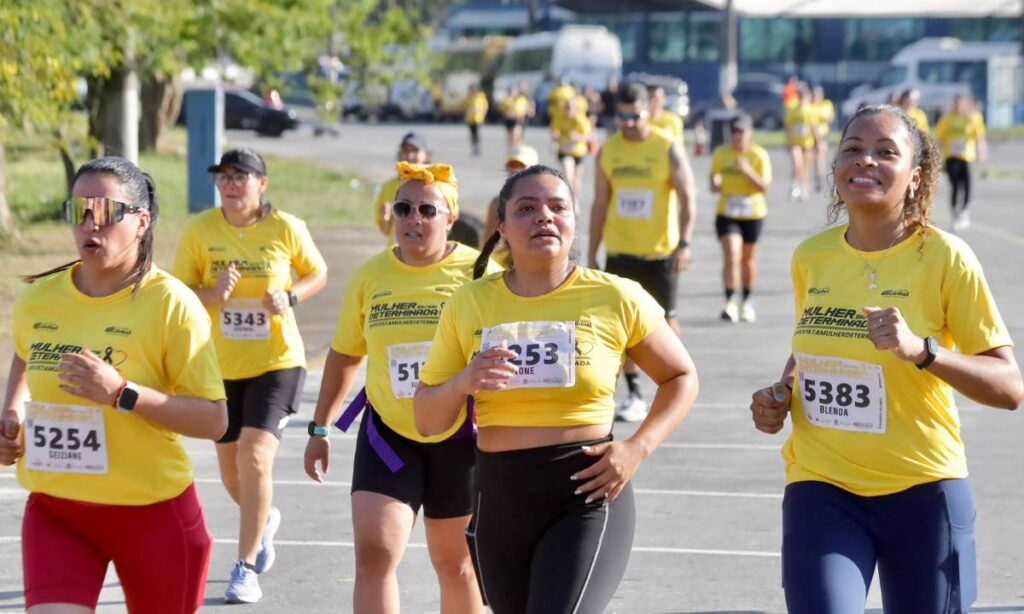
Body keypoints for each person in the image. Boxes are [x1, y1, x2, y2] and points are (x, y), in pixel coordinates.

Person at [750, 104, 1023, 613]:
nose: (865, 162)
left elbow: (1009, 387)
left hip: (923, 490)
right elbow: (810, 349)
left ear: (916, 176)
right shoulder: (812, 257)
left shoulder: (946, 257)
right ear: (834, 167)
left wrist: (923, 352)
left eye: (885, 152)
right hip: (822, 485)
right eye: (852, 149)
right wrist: (780, 394)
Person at [414, 165, 699, 614]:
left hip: (585, 489)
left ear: (573, 221)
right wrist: (464, 381)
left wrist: (637, 448)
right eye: (526, 208)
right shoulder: (468, 303)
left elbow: (681, 377)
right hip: (498, 495)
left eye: (557, 207)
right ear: (501, 227)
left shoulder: (615, 296)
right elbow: (427, 419)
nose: (544, 217)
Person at [1, 157, 228, 613]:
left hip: (153, 514)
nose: (90, 224)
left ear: (141, 222)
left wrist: (122, 393)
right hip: (57, 509)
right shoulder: (38, 300)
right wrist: (11, 412)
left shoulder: (171, 305)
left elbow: (214, 420)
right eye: (78, 210)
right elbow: (26, 354)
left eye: (104, 211)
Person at [305, 162, 497, 614]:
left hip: (461, 438)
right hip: (388, 435)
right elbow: (345, 355)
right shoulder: (371, 276)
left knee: (456, 565)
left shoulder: (482, 274)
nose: (414, 219)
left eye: (427, 210)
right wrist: (319, 429)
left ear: (450, 218)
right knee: (374, 555)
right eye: (403, 208)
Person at [173, 148, 328, 603]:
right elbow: (180, 293)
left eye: (241, 176)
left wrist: (290, 297)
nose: (231, 184)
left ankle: (245, 567)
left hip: (277, 361)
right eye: (223, 177)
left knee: (255, 457)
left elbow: (316, 273)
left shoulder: (286, 228)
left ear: (262, 183)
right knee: (232, 472)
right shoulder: (200, 230)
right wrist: (212, 293)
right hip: (219, 366)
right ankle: (264, 520)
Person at [588, 82, 697, 423]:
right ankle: (634, 392)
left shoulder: (666, 146)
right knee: (623, 327)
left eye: (635, 116)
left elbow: (687, 197)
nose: (629, 123)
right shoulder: (609, 150)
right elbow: (600, 203)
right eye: (622, 117)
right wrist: (592, 252)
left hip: (660, 253)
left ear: (648, 110)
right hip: (621, 252)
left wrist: (684, 243)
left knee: (667, 322)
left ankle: (677, 379)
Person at [709, 114, 772, 323]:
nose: (737, 136)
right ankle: (729, 301)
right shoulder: (721, 153)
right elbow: (713, 179)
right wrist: (715, 181)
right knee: (731, 254)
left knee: (747, 260)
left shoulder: (758, 155)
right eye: (734, 132)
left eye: (741, 132)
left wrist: (747, 171)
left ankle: (747, 300)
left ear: (749, 133)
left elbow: (764, 187)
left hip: (752, 212)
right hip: (728, 211)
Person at [936, 93, 987, 232]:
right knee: (955, 186)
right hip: (951, 156)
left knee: (967, 184)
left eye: (960, 102)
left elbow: (980, 136)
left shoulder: (973, 117)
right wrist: (937, 156)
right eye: (955, 102)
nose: (958, 105)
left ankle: (964, 211)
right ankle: (955, 214)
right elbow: (940, 138)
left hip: (967, 156)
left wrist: (982, 151)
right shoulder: (947, 118)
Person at [373, 132, 431, 244]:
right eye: (406, 151)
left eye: (415, 151)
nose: (409, 156)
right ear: (399, 155)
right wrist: (385, 218)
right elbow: (386, 231)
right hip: (397, 254)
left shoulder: (435, 187)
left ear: (426, 156)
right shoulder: (388, 188)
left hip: (424, 253)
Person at [484, 145, 540, 240]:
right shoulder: (497, 203)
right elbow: (487, 239)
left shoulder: (545, 201)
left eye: (522, 166)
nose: (516, 171)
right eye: (512, 166)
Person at [550, 97, 592, 196]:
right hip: (564, 151)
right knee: (568, 174)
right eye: (566, 107)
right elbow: (553, 130)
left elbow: (589, 137)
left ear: (576, 109)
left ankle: (574, 199)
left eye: (570, 108)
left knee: (576, 179)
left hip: (578, 152)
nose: (568, 110)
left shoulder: (581, 120)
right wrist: (555, 135)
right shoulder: (559, 118)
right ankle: (568, 198)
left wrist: (578, 137)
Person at [784, 84, 817, 201]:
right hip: (795, 142)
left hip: (807, 143)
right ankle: (794, 186)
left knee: (805, 167)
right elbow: (788, 126)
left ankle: (803, 188)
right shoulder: (792, 109)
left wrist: (817, 142)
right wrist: (787, 141)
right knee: (797, 164)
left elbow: (814, 127)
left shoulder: (811, 110)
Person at [811, 85, 835, 193]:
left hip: (822, 135)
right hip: (810, 136)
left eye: (818, 94)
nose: (816, 96)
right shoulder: (810, 106)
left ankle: (818, 178)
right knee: (810, 158)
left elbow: (830, 118)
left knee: (820, 156)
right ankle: (809, 179)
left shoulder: (826, 104)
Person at [464, 84, 489, 157]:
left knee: (477, 133)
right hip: (470, 118)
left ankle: (478, 148)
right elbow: (464, 106)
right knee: (472, 134)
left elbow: (485, 106)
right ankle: (474, 148)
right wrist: (469, 110)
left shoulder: (480, 97)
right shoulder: (468, 98)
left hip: (478, 118)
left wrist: (483, 113)